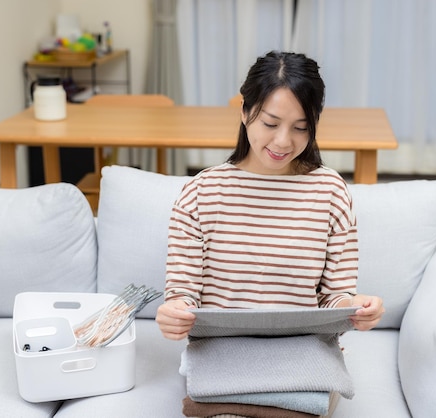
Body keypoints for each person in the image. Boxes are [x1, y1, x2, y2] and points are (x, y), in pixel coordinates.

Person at [156, 51, 385, 341]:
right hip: (219, 352)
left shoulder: (331, 192)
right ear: (244, 111)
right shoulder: (201, 193)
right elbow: (184, 293)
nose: (282, 141)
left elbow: (333, 298)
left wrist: (355, 307)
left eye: (301, 128)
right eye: (270, 123)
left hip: (303, 352)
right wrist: (174, 313)